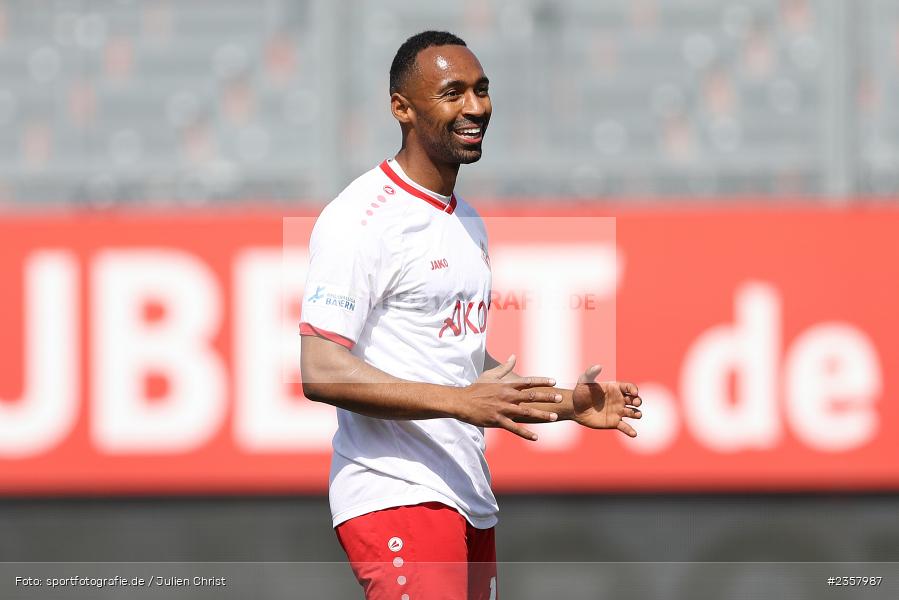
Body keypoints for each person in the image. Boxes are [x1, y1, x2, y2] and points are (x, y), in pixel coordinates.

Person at [300, 30, 642, 600]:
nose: (475, 107)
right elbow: (321, 369)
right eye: (452, 92)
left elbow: (461, 363)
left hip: (467, 497)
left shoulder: (467, 221)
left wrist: (567, 405)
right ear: (402, 108)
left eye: (481, 90)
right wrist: (461, 402)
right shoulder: (359, 219)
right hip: (396, 493)